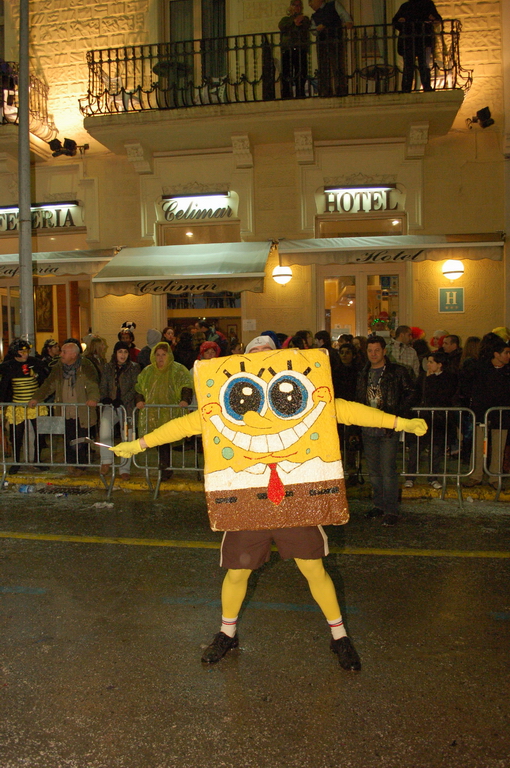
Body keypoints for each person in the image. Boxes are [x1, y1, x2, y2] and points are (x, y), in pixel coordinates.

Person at [110, 334, 426, 669]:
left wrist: (399, 422)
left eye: (267, 354)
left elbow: (346, 410)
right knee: (237, 572)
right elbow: (182, 426)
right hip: (247, 497)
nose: (261, 358)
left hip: (295, 497)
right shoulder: (222, 409)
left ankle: (340, 637)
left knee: (313, 568)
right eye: (255, 354)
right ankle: (227, 634)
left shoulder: (306, 401)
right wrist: (139, 445)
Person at [355, 335, 418, 525]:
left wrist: (397, 414)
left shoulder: (397, 371)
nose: (373, 354)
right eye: (370, 350)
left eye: (377, 350)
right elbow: (358, 398)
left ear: (384, 351)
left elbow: (411, 393)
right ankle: (379, 505)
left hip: (388, 427)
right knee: (374, 470)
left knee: (388, 469)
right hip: (368, 427)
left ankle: (391, 510)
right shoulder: (363, 373)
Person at [28, 341, 100, 475]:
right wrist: (36, 398)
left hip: (82, 411)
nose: (61, 354)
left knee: (81, 439)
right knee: (68, 438)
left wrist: (93, 398)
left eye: (64, 352)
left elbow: (92, 384)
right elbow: (49, 385)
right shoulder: (58, 368)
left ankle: (81, 466)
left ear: (73, 355)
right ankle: (70, 463)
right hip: (65, 410)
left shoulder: (86, 366)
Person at [134, 341, 193, 481]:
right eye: (158, 355)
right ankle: (165, 467)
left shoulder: (178, 370)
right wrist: (139, 400)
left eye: (163, 355)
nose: (160, 358)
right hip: (153, 413)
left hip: (171, 412)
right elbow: (139, 388)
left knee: (164, 440)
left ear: (169, 355)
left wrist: (185, 400)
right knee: (158, 440)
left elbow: (186, 385)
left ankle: (165, 467)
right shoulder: (147, 372)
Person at [459, 334, 510, 488]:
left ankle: (495, 477)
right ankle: (476, 475)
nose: (508, 356)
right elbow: (467, 386)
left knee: (499, 447)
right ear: (496, 354)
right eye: (506, 353)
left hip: (502, 414)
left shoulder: (507, 371)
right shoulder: (480, 368)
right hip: (482, 412)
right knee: (478, 446)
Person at [405, 350, 458, 490]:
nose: (428, 365)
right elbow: (417, 394)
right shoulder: (423, 377)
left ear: (440, 364)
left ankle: (433, 477)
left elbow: (441, 396)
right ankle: (410, 477)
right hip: (422, 416)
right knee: (415, 448)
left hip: (438, 419)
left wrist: (431, 379)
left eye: (431, 362)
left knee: (436, 450)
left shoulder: (448, 378)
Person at [0, 339, 48, 474]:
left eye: (27, 351)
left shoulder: (36, 363)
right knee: (16, 435)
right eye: (22, 351)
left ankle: (37, 460)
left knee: (39, 434)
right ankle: (16, 462)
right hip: (17, 406)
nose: (25, 354)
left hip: (35, 405)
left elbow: (45, 380)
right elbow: (4, 387)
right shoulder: (8, 366)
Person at [99, 341, 142, 480]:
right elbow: (103, 384)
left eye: (125, 352)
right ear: (115, 353)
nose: (123, 355)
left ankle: (125, 468)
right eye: (120, 352)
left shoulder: (134, 368)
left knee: (127, 436)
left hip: (127, 407)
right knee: (105, 427)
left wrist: (123, 399)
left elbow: (136, 387)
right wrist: (105, 397)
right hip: (111, 405)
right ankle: (106, 460)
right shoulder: (108, 367)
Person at [392, 0, 442, 93]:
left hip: (415, 41)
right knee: (417, 65)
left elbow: (437, 19)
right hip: (415, 41)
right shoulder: (423, 5)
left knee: (415, 65)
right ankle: (423, 87)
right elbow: (396, 22)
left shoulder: (408, 6)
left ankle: (408, 88)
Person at [309, 0, 353, 97]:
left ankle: (340, 89)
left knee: (337, 64)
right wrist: (317, 29)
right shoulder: (314, 16)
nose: (310, 4)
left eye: (311, 1)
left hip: (334, 39)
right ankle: (326, 90)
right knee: (323, 66)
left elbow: (343, 14)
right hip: (322, 42)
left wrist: (348, 22)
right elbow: (313, 30)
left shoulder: (333, 5)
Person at [279, 0, 311, 99]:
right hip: (287, 50)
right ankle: (286, 95)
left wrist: (300, 19)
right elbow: (281, 26)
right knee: (287, 73)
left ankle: (300, 93)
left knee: (301, 72)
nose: (297, 8)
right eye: (295, 5)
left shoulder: (305, 19)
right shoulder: (285, 20)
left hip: (300, 49)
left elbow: (307, 24)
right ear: (291, 7)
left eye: (299, 6)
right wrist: (293, 21)